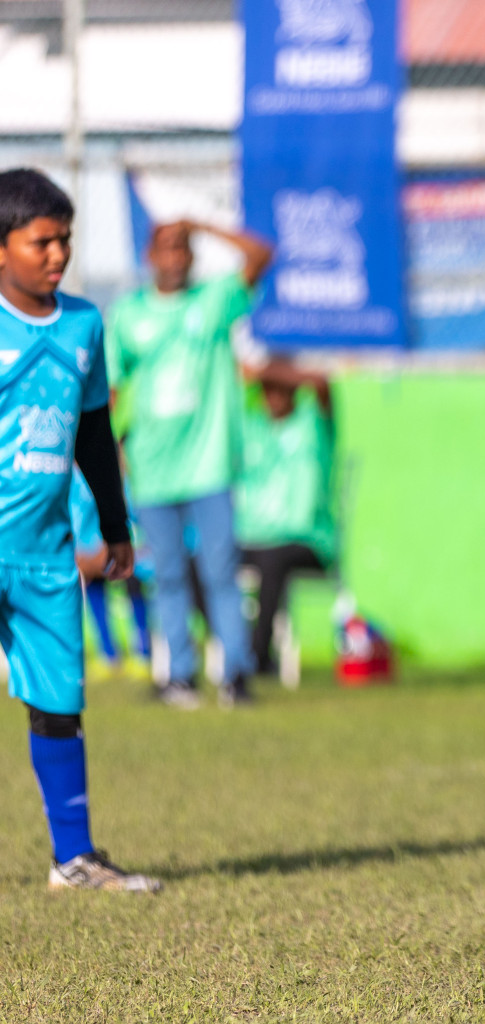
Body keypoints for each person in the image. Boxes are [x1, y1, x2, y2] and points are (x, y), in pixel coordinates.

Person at [0, 168, 160, 891]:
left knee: (60, 704)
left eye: (65, 239)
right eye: (42, 242)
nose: (58, 253)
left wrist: (117, 524)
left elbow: (93, 433)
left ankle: (76, 860)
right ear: (2, 248)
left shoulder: (84, 325)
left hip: (44, 557)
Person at [107, 219, 273, 707]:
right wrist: (108, 452)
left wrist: (201, 224)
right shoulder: (128, 315)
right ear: (149, 256)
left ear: (193, 258)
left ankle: (235, 675)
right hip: (153, 468)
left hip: (209, 465)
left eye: (184, 249)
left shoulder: (214, 301)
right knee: (168, 576)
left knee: (221, 572)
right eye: (166, 249)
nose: (175, 258)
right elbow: (112, 388)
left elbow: (261, 254)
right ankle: (179, 676)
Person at [235, 358, 336, 678]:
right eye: (267, 391)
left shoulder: (312, 424)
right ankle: (235, 641)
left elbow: (322, 383)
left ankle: (258, 657)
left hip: (307, 540)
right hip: (252, 537)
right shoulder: (252, 427)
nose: (273, 398)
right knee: (202, 559)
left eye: (281, 390)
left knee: (272, 559)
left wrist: (264, 371)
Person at [69, 468, 151, 679]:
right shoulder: (74, 479)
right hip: (87, 550)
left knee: (133, 586)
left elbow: (131, 513)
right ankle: (108, 652)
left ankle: (143, 651)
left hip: (118, 545)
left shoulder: (119, 479)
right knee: (96, 590)